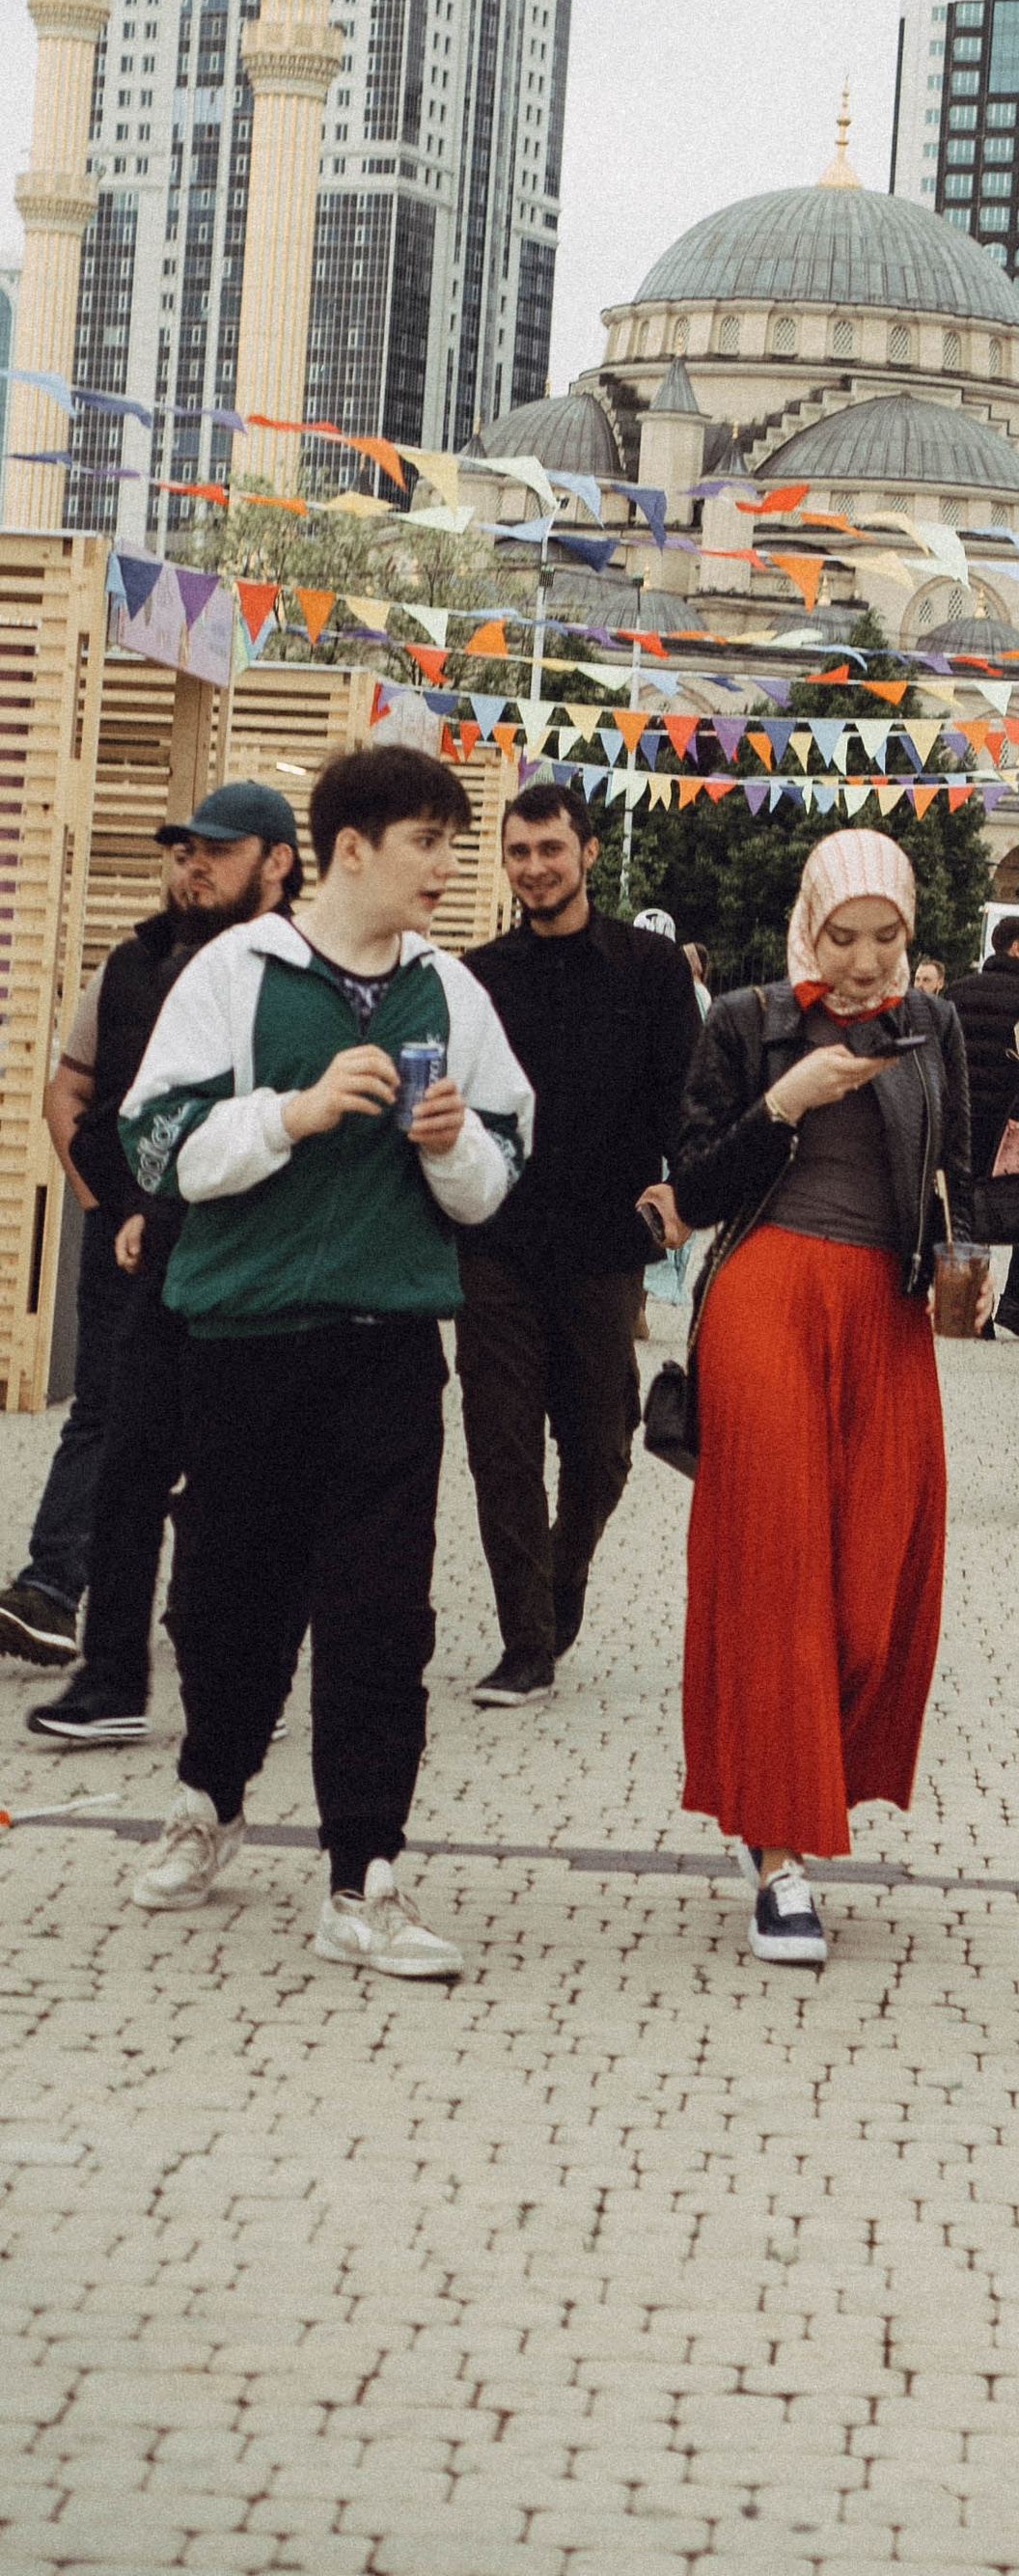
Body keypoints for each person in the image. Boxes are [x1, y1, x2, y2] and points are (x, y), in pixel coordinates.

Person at [118, 744, 535, 1979]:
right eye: (428, 843)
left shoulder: (452, 992)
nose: (449, 869)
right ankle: (211, 1794)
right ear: (350, 848)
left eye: (455, 842)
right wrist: (289, 1116)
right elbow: (155, 1144)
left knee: (379, 1619)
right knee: (227, 1603)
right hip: (242, 1345)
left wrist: (453, 1147)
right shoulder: (234, 974)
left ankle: (366, 1877)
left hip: (388, 1348)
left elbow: (501, 1169)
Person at [671, 827, 978, 1964]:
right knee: (777, 1572)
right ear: (810, 924)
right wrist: (786, 1101)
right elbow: (695, 1187)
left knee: (872, 1591)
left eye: (884, 937)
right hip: (767, 1301)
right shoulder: (746, 1022)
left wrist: (963, 1259)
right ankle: (780, 1852)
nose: (859, 962)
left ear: (909, 932)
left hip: (889, 1317)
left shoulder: (931, 1021)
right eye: (841, 937)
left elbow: (964, 1153)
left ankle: (792, 1781)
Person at [13, 787, 303, 1740]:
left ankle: (219, 1635)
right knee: (118, 1433)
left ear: (278, 862)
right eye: (183, 851)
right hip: (140, 1241)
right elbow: (73, 1091)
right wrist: (105, 1206)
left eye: (217, 852)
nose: (193, 867)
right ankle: (84, 1636)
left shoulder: (309, 972)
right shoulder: (132, 966)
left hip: (261, 1260)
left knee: (237, 1457)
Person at [456, 781, 704, 1705]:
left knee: (601, 1447)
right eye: (518, 853)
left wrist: (685, 1196)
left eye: (549, 850)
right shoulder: (480, 975)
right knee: (502, 1445)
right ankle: (526, 1642)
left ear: (589, 853)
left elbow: (687, 1099)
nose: (533, 869)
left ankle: (560, 1588)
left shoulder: (649, 969)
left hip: (605, 1246)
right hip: (495, 1243)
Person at [948, 916, 1019, 1338]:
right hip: (1016, 1123)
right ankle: (1015, 1301)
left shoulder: (955, 994)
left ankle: (972, 1311)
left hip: (964, 1118)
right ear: (1017, 948)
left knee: (966, 1205)